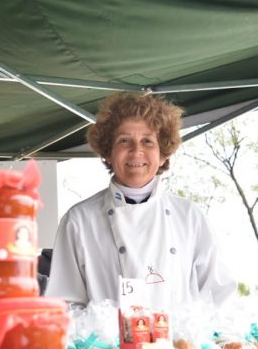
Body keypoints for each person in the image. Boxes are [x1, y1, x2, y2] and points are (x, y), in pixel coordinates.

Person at [44, 92, 236, 310]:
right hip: (107, 345)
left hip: (180, 343)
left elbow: (219, 295)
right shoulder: (79, 220)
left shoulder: (189, 215)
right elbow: (65, 305)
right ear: (107, 152)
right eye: (124, 141)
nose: (136, 151)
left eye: (148, 141)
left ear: (164, 154)